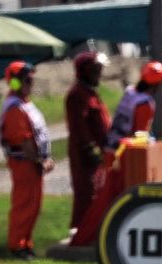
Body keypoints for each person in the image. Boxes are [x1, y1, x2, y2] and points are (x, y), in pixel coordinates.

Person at [0, 61, 53, 259]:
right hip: (24, 163)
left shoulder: (24, 104)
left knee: (34, 205)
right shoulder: (15, 108)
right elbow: (25, 141)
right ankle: (17, 245)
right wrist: (40, 161)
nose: (32, 84)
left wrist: (45, 158)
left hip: (32, 163)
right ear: (15, 83)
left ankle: (26, 243)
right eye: (28, 80)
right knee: (24, 205)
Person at [64, 51, 110, 239]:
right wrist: (91, 149)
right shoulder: (77, 95)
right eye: (95, 70)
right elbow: (79, 126)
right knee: (86, 192)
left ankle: (92, 230)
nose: (99, 74)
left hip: (96, 153)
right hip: (85, 155)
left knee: (97, 192)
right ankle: (80, 231)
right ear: (84, 71)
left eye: (100, 69)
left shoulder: (91, 93)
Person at [108, 61, 162, 148]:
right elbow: (139, 135)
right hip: (125, 148)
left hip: (112, 141)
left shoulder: (130, 91)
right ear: (157, 84)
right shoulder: (144, 103)